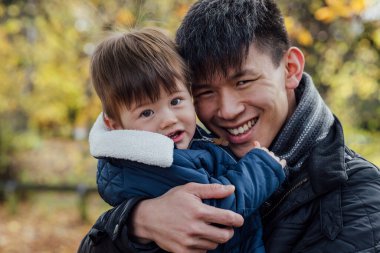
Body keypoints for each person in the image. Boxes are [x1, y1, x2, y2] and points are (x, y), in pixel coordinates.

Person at [78, 1, 380, 253]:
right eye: (205, 91)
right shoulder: (182, 157)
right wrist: (135, 224)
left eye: (243, 82)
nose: (228, 110)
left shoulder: (359, 198)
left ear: (290, 69)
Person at [86, 27, 286, 253]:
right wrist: (262, 168)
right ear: (115, 124)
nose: (168, 120)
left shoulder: (188, 145)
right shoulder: (154, 161)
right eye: (146, 113)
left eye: (175, 101)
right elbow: (214, 211)